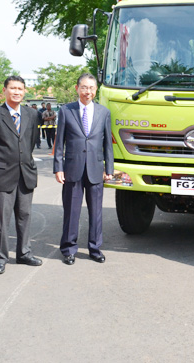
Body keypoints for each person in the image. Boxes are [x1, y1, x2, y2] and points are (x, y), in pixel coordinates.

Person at [0, 76, 43, 275]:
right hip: (1, 175)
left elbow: (31, 142)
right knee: (0, 219)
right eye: (13, 88)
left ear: (25, 91)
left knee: (24, 216)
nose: (17, 92)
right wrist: (0, 164)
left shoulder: (31, 115)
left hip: (25, 174)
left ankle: (24, 253)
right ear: (4, 90)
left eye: (20, 89)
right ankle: (0, 257)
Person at [54, 73, 114, 265]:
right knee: (71, 211)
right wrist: (58, 167)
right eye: (84, 87)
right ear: (77, 88)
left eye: (91, 88)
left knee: (96, 212)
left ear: (95, 90)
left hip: (96, 169)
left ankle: (95, 248)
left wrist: (109, 168)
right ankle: (68, 249)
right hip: (73, 168)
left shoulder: (104, 112)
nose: (88, 92)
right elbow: (59, 142)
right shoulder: (66, 111)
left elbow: (108, 145)